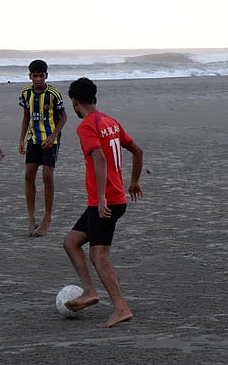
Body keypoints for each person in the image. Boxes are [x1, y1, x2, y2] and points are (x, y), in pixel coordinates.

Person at [62, 77, 143, 328]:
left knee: (99, 256)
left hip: (105, 201)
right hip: (111, 198)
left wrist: (100, 198)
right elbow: (137, 151)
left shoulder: (86, 126)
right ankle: (89, 291)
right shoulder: (111, 121)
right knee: (71, 242)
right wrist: (133, 182)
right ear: (94, 99)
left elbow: (98, 157)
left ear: (75, 103)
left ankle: (121, 307)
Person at [18, 59, 67, 237]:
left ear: (46, 76)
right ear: (30, 76)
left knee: (47, 175)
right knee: (29, 174)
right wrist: (21, 139)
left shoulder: (53, 94)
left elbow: (63, 117)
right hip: (33, 138)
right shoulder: (25, 93)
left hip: (50, 139)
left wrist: (53, 136)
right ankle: (31, 218)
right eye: (35, 76)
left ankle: (47, 218)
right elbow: (26, 116)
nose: (38, 79)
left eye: (41, 76)